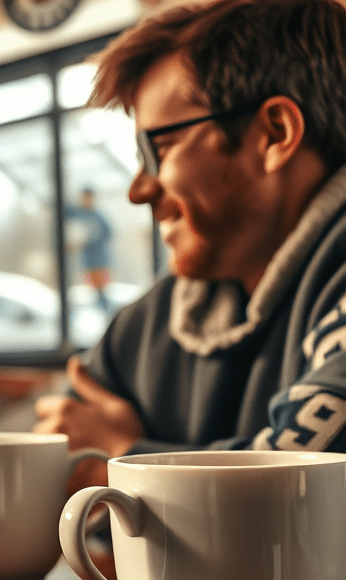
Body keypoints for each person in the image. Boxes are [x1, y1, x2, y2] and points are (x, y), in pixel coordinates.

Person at [34, 0, 346, 492]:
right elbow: (58, 460)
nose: (138, 190)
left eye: (158, 149)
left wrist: (124, 453)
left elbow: (309, 488)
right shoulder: (149, 322)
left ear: (274, 134)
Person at [64, 187, 114, 314]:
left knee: (100, 293)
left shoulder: (98, 216)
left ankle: (108, 315)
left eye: (88, 198)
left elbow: (109, 233)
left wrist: (86, 241)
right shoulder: (78, 213)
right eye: (83, 198)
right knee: (86, 292)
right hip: (85, 262)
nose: (86, 201)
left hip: (100, 262)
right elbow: (65, 211)